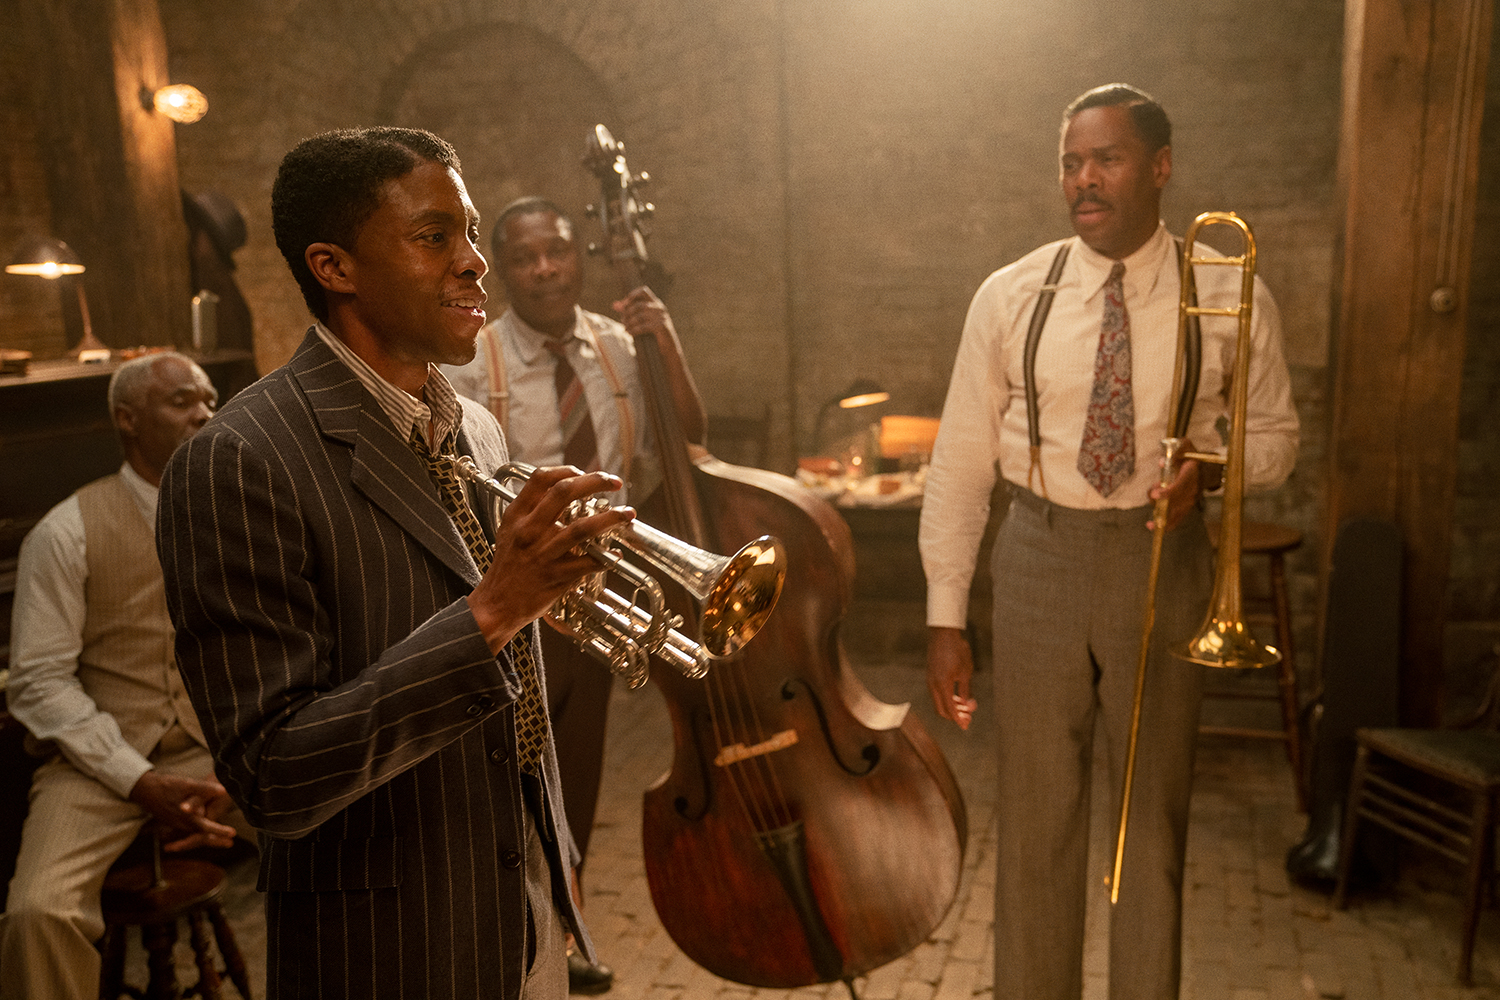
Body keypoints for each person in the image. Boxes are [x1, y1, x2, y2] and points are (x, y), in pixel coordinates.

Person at [156, 127, 632, 1000]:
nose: (476, 262)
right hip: (391, 940)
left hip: (522, 908)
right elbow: (274, 776)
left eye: (473, 232)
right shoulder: (238, 458)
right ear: (334, 268)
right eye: (434, 236)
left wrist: (549, 593)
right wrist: (493, 611)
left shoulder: (477, 430)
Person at [919, 84, 1299, 1000]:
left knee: (1151, 828)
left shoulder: (1228, 289)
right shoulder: (1011, 294)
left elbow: (1279, 441)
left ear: (1161, 167)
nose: (1083, 181)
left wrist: (1208, 467)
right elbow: (961, 461)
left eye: (1107, 159)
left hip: (1162, 563)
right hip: (1040, 558)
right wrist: (946, 615)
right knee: (1039, 827)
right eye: (1070, 163)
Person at [440, 197, 706, 995]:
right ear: (503, 267)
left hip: (598, 595)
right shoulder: (469, 358)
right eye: (524, 258)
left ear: (579, 256)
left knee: (573, 769)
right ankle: (501, 935)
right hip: (513, 591)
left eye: (557, 252)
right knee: (507, 767)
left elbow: (684, 437)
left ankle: (564, 927)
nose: (545, 269)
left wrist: (668, 346)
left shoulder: (619, 345)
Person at [1, 352, 246, 1000]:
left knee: (364, 833)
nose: (203, 412)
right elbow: (37, 682)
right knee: (37, 913)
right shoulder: (65, 532)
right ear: (126, 420)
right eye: (180, 400)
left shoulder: (243, 514)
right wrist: (134, 780)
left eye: (209, 398)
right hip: (103, 764)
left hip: (222, 754)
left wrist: (242, 752)